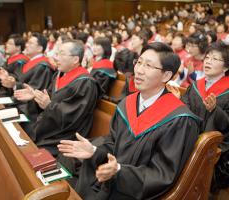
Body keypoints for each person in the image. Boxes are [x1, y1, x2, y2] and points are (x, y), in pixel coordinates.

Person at [58, 42, 200, 199]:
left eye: (148, 66)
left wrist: (119, 171)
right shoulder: (127, 103)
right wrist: (94, 151)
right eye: (139, 62)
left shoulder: (179, 119)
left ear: (166, 76)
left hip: (136, 193)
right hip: (110, 181)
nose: (139, 70)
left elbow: (162, 174)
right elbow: (112, 144)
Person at [175, 42, 229, 192]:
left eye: (215, 59)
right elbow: (186, 113)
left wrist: (216, 111)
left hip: (217, 144)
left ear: (227, 66)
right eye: (207, 57)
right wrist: (176, 100)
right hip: (192, 137)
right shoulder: (196, 85)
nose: (208, 61)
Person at [14, 40, 100, 155]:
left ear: (75, 59)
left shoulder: (85, 83)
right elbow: (49, 97)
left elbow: (73, 116)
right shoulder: (59, 75)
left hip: (65, 135)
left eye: (61, 54)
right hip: (50, 126)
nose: (56, 58)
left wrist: (49, 106)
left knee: (24, 151)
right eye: (57, 53)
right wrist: (35, 96)